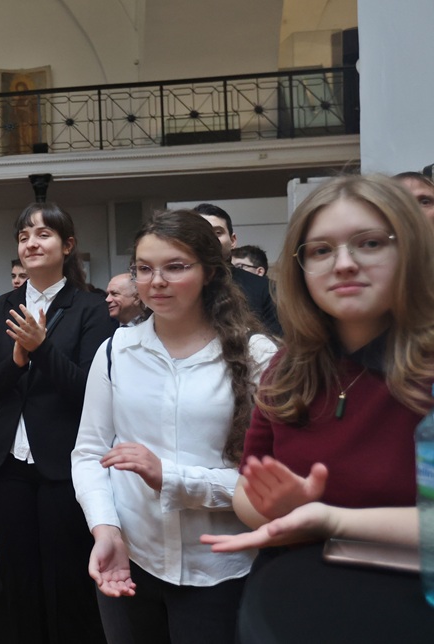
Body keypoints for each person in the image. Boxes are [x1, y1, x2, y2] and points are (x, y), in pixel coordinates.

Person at [200, 175, 434, 642]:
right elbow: (248, 489)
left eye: (369, 243)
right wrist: (277, 507)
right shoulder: (289, 365)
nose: (343, 264)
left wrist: (327, 517)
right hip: (294, 606)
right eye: (321, 250)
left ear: (409, 251)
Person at [71, 210, 277, 644]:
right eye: (144, 269)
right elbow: (89, 453)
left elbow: (270, 481)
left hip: (221, 569)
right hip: (131, 560)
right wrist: (105, 528)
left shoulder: (257, 355)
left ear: (210, 273)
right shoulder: (116, 350)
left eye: (175, 267)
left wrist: (172, 478)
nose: (156, 281)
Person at [0, 202, 116, 643]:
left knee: (66, 574)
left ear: (67, 246)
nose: (31, 243)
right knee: (17, 573)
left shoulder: (91, 307)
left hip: (64, 464)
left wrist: (42, 349)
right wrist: (16, 362)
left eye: (43, 234)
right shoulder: (2, 308)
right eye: (24, 236)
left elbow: (90, 390)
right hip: (5, 465)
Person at [194, 203, 281, 336]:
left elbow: (277, 343)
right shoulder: (176, 286)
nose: (210, 239)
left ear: (233, 240)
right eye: (201, 233)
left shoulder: (265, 288)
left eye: (217, 233)